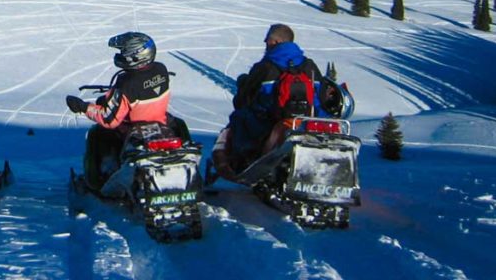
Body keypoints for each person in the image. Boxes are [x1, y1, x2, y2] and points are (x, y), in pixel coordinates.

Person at [65, 32, 188, 191]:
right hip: (161, 123)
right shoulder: (160, 69)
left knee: (97, 134)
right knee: (180, 124)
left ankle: (96, 183)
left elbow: (109, 119)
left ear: (135, 56)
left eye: (124, 52)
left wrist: (83, 107)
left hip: (134, 130)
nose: (121, 55)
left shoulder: (126, 83)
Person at [217, 23, 322, 176]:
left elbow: (244, 99)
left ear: (276, 42)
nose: (265, 43)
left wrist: (243, 89)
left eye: (268, 39)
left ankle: (239, 165)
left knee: (238, 120)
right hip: (305, 120)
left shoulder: (265, 67)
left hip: (269, 121)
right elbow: (321, 94)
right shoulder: (309, 65)